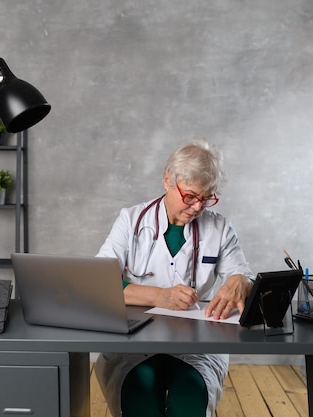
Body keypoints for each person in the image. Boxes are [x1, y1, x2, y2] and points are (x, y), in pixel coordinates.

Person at [95, 140, 254, 417]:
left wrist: (241, 280)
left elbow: (244, 277)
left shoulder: (219, 228)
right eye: (190, 196)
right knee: (139, 396)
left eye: (207, 198)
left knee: (189, 399)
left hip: (196, 346)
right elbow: (97, 281)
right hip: (134, 343)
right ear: (167, 180)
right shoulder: (131, 221)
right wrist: (160, 296)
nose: (197, 208)